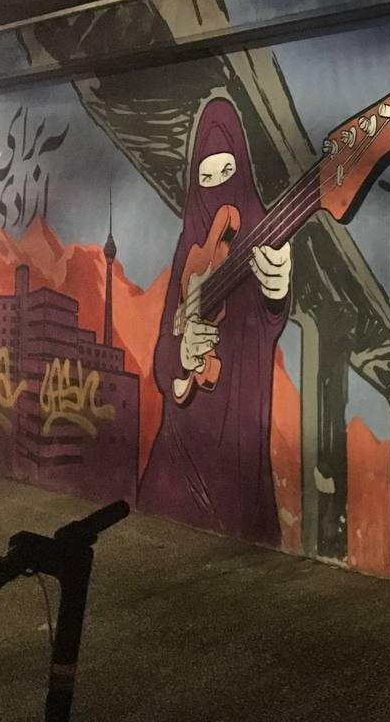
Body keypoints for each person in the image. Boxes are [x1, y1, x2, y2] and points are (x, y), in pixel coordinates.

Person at [138, 98, 292, 546]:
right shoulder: (189, 245)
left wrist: (277, 291)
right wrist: (181, 356)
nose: (216, 188)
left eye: (226, 174)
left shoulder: (262, 233)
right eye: (205, 178)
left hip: (237, 438)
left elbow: (269, 322)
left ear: (242, 171)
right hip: (180, 446)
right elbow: (164, 356)